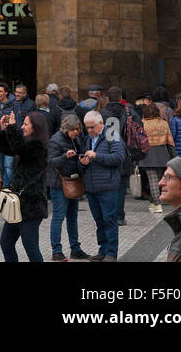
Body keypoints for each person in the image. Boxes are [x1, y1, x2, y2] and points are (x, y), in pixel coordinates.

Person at [0, 109, 49, 263]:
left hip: (31, 206)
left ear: (36, 127)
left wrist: (12, 128)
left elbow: (19, 148)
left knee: (31, 247)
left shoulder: (39, 146)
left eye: (26, 124)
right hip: (16, 204)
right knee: (6, 242)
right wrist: (3, 130)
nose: (22, 127)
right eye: (22, 124)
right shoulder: (26, 143)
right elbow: (7, 149)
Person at [79, 110, 126, 262]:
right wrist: (82, 162)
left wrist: (96, 156)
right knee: (99, 221)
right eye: (87, 128)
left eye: (92, 127)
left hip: (108, 186)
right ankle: (102, 250)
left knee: (109, 219)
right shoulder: (87, 139)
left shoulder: (112, 135)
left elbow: (119, 157)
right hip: (92, 187)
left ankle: (111, 253)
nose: (89, 130)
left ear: (101, 124)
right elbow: (84, 162)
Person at [47, 113, 91, 261]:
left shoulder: (76, 139)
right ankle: (56, 250)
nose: (76, 132)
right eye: (74, 130)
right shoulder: (55, 140)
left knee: (73, 217)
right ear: (67, 128)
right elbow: (52, 162)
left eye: (78, 129)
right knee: (58, 216)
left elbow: (77, 158)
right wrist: (65, 156)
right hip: (59, 183)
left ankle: (75, 249)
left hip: (73, 181)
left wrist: (81, 161)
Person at [100, 85, 140, 226]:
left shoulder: (102, 112)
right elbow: (139, 131)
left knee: (107, 185)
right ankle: (119, 216)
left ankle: (108, 215)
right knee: (122, 186)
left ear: (108, 97)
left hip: (106, 153)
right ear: (121, 97)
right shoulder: (130, 112)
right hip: (125, 153)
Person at [138, 103, 175, 214]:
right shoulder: (164, 123)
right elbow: (170, 141)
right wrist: (174, 156)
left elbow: (138, 140)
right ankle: (153, 202)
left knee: (152, 181)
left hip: (147, 154)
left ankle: (157, 204)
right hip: (162, 154)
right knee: (157, 181)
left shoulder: (142, 123)